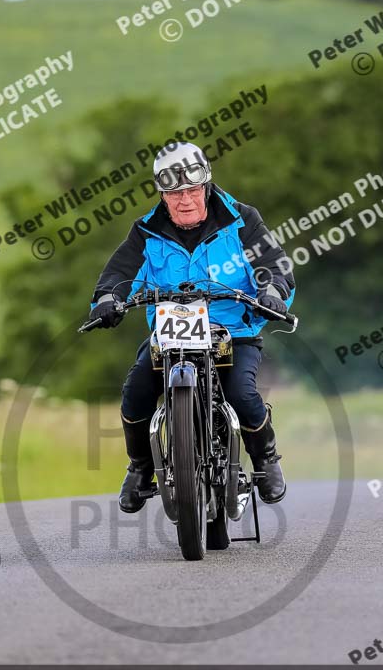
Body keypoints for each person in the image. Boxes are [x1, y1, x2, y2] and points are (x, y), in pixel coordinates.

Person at [89, 142, 295, 512]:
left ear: (207, 186)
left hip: (234, 333)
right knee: (135, 391)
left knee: (243, 394)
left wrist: (272, 291)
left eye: (191, 191)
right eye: (174, 193)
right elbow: (120, 272)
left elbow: (273, 263)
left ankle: (266, 459)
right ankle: (139, 468)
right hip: (170, 337)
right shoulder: (146, 232)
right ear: (162, 195)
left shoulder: (243, 220)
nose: (184, 200)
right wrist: (107, 300)